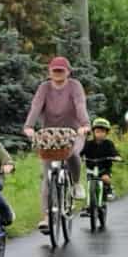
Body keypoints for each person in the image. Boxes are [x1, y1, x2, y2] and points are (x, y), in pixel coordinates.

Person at [22, 54, 90, 233]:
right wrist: (29, 127)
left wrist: (85, 125)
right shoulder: (44, 88)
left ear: (68, 72)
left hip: (73, 132)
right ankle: (46, 217)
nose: (58, 73)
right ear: (50, 72)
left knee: (73, 153)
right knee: (47, 175)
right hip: (49, 135)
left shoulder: (75, 86)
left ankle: (75, 183)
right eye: (55, 70)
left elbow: (80, 104)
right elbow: (36, 107)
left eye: (61, 70)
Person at [80, 116, 120, 202]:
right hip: (90, 168)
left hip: (104, 168)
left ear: (106, 133)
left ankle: (109, 190)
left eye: (102, 132)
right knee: (89, 184)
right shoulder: (88, 144)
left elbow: (114, 152)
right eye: (97, 132)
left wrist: (116, 157)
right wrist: (79, 157)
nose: (100, 134)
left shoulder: (109, 144)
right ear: (93, 132)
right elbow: (82, 152)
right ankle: (89, 204)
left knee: (105, 178)